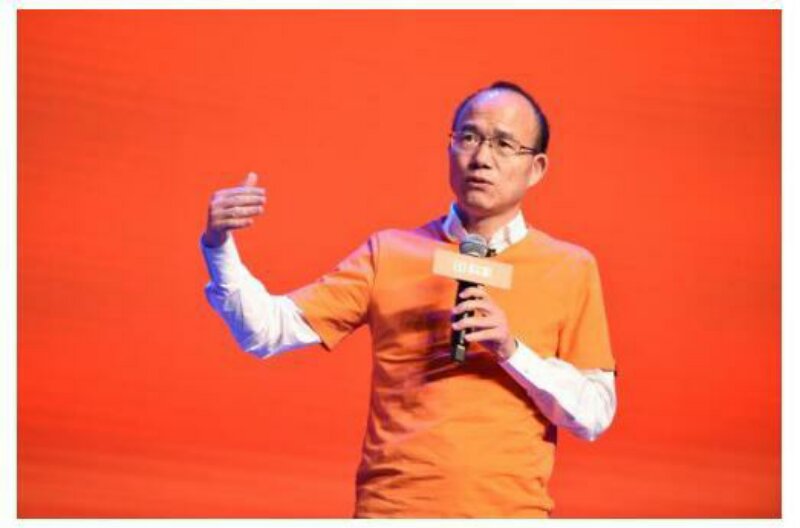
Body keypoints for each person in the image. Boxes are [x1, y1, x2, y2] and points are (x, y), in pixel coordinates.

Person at [200, 81, 618, 518]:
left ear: (536, 168)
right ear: (449, 148)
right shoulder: (390, 252)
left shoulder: (570, 267)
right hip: (393, 511)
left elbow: (594, 414)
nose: (482, 157)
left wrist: (511, 351)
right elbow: (266, 331)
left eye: (503, 144)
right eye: (469, 137)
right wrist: (218, 245)